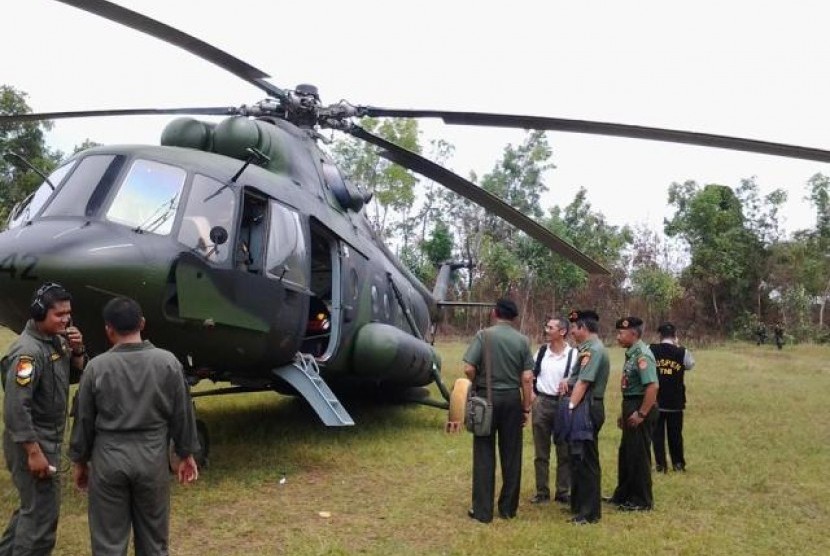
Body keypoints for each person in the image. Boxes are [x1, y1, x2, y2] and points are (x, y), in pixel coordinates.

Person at [68, 297, 200, 555]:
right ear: (142, 323)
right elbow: (182, 415)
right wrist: (186, 454)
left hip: (108, 460)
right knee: (154, 541)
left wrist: (80, 461)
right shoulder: (168, 363)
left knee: (108, 544)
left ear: (108, 329)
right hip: (152, 459)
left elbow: (83, 419)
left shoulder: (96, 368)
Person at [0, 282, 87, 555]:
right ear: (39, 313)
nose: (65, 320)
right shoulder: (28, 353)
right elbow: (16, 407)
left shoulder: (55, 343)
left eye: (68, 314)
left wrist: (78, 351)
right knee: (40, 520)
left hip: (48, 440)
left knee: (34, 509)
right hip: (32, 442)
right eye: (58, 315)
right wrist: (33, 452)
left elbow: (70, 378)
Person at [462, 298, 534, 523]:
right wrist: (526, 407)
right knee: (512, 455)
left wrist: (479, 382)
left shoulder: (484, 336)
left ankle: (482, 511)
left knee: (484, 454)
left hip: (486, 398)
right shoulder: (523, 340)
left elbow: (468, 368)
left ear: (495, 313)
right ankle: (508, 508)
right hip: (513, 400)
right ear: (514, 317)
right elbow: (527, 378)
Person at [559, 310, 609, 525]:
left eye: (574, 328)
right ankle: (579, 505)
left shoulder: (594, 351)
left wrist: (570, 407)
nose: (571, 332)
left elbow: (584, 382)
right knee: (577, 458)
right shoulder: (586, 349)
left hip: (587, 407)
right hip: (583, 405)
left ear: (584, 328)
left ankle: (589, 513)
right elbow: (576, 379)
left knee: (587, 459)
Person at [607, 317, 659, 511]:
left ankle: (642, 500)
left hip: (640, 405)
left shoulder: (643, 355)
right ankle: (624, 494)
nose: (618, 337)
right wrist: (625, 412)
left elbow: (652, 387)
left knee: (639, 454)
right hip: (631, 403)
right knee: (627, 453)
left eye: (621, 333)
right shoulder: (632, 353)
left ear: (634, 334)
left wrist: (642, 413)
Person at [530, 316, 576, 505]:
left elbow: (580, 379)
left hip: (563, 405)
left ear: (562, 332)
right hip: (542, 403)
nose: (546, 330)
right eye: (546, 326)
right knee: (541, 452)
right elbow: (530, 374)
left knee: (564, 450)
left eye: (551, 327)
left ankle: (562, 492)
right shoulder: (541, 352)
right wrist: (532, 396)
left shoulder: (574, 355)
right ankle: (542, 492)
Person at [650, 322, 695, 473]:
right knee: (675, 435)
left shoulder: (651, 350)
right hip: (675, 401)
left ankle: (660, 465)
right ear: (675, 336)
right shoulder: (682, 351)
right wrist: (679, 346)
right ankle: (678, 464)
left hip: (656, 400)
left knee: (657, 436)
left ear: (660, 336)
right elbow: (690, 365)